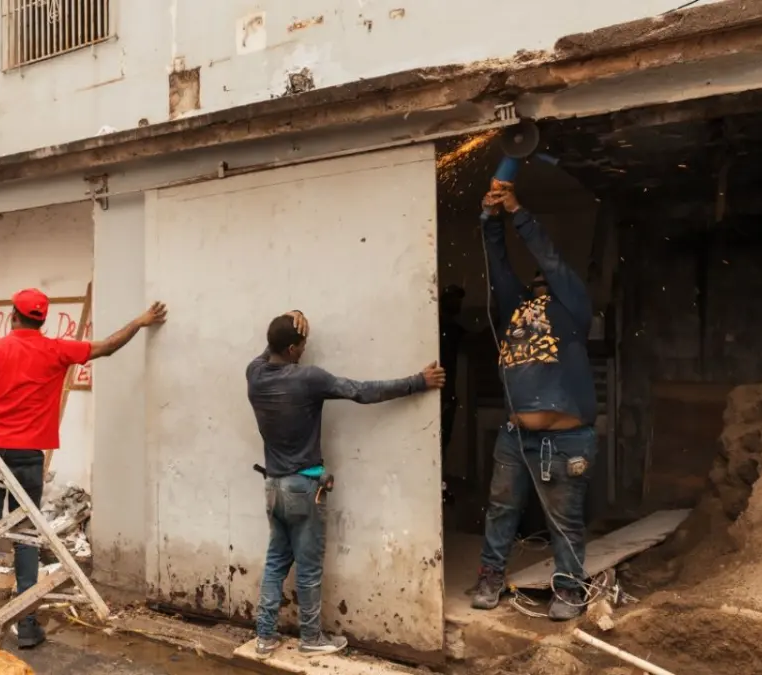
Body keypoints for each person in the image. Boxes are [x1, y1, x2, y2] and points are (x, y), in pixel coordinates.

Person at [0, 288, 167, 649]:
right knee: (27, 535)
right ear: (42, 319)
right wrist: (139, 321)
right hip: (29, 456)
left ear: (13, 315)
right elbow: (107, 347)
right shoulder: (57, 350)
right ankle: (27, 623)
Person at [247, 310, 446, 656]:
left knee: (276, 563)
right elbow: (361, 392)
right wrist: (418, 381)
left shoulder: (255, 374)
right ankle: (311, 639)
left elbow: (269, 350)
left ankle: (264, 637)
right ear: (293, 349)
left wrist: (289, 321)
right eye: (302, 345)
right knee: (308, 568)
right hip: (304, 488)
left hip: (273, 487)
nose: (305, 349)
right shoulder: (308, 378)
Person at [471, 180, 598, 621]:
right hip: (515, 436)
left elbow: (551, 259)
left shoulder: (573, 308)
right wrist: (491, 221)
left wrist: (517, 212)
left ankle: (568, 589)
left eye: (547, 277)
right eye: (537, 279)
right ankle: (490, 577)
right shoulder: (516, 308)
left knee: (564, 520)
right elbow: (498, 265)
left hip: (567, 440)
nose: (541, 278)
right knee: (501, 509)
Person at [439, 284, 467, 449]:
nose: (458, 303)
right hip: (440, 391)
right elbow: (475, 341)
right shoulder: (443, 326)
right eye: (454, 299)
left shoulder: (452, 327)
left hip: (447, 392)